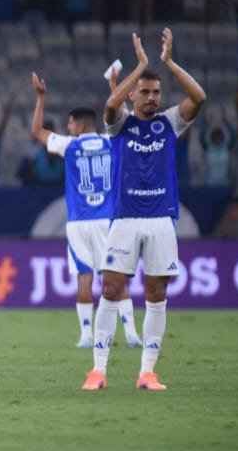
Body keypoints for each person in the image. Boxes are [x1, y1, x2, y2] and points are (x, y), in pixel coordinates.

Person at [82, 29, 206, 391]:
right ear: (132, 94)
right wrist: (139, 67)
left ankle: (147, 372)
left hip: (161, 221)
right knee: (111, 290)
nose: (152, 98)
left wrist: (168, 62)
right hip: (124, 219)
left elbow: (199, 97)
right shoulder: (121, 125)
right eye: (145, 92)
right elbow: (109, 107)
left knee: (156, 295)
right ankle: (98, 371)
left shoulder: (170, 123)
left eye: (156, 92)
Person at [31, 74, 141, 349]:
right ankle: (131, 334)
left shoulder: (70, 145)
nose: (68, 128)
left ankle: (86, 336)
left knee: (84, 279)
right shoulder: (110, 141)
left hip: (79, 221)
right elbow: (122, 117)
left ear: (79, 126)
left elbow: (37, 132)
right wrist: (114, 88)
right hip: (107, 219)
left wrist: (41, 97)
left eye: (69, 124)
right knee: (114, 277)